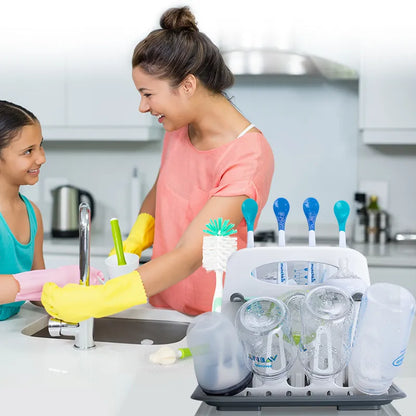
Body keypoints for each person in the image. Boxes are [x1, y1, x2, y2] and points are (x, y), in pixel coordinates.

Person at [41, 6, 275, 322]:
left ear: (188, 85)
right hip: (160, 306)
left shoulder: (249, 156)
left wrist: (102, 299)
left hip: (211, 321)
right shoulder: (179, 127)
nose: (142, 106)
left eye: (148, 94)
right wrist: (137, 239)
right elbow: (163, 190)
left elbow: (191, 255)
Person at [0, 101, 103, 318]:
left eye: (40, 145)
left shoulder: (32, 214)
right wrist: (59, 275)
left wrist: (75, 293)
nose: (42, 158)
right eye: (28, 151)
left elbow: (37, 294)